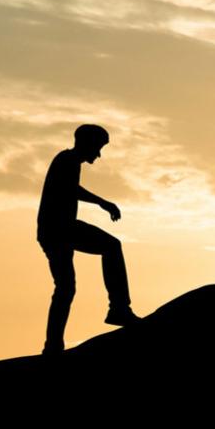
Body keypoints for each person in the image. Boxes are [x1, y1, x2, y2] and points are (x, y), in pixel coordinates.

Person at [37, 124, 138, 355]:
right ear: (88, 144)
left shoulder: (68, 161)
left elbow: (71, 188)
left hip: (53, 231)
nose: (99, 154)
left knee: (65, 288)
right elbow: (71, 189)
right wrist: (103, 202)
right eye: (99, 148)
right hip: (60, 229)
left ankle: (53, 345)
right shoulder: (68, 159)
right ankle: (119, 308)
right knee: (112, 246)